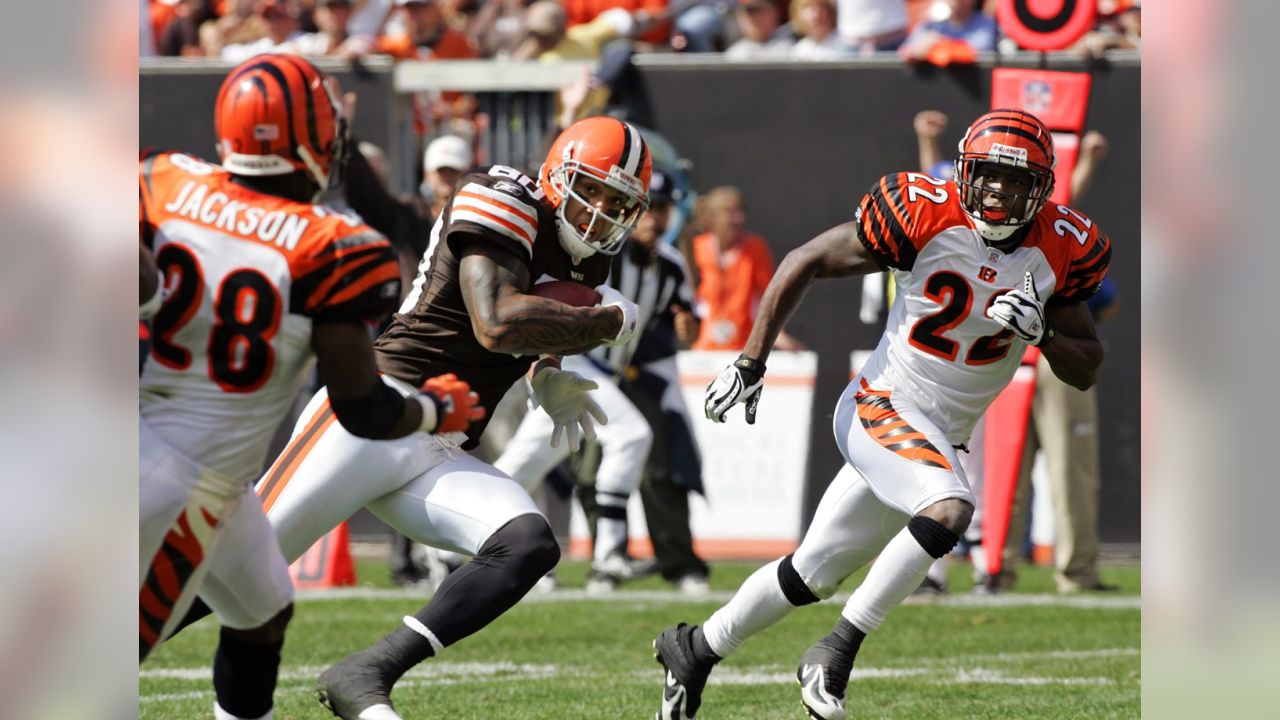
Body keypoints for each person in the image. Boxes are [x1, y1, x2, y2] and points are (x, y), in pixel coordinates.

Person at [653, 108, 1111, 720]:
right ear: (965, 172)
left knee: (809, 574)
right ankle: (835, 654)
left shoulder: (1061, 245)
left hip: (941, 432)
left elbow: (1087, 365)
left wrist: (1045, 330)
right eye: (990, 174)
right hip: (884, 402)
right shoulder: (924, 212)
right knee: (949, 508)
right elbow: (806, 258)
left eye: (1017, 179)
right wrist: (752, 360)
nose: (1000, 190)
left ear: (1042, 189)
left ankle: (694, 649)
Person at [255, 115, 649, 720]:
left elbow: (527, 333)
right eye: (591, 189)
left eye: (616, 201)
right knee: (229, 569)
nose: (598, 211)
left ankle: (367, 671)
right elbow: (495, 322)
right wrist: (604, 323)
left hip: (442, 446)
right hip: (381, 411)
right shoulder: (500, 195)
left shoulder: (587, 263)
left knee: (526, 543)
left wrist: (545, 375)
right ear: (556, 174)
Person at [138, 54, 483, 720]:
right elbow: (362, 407)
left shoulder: (163, 180)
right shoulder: (332, 245)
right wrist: (434, 407)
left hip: (190, 466)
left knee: (262, 613)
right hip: (186, 485)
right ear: (313, 142)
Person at [493, 150, 693, 593]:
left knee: (528, 461)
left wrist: (685, 325)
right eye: (648, 210)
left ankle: (448, 547)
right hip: (576, 361)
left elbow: (686, 329)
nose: (653, 221)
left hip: (603, 372)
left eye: (661, 210)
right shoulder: (604, 251)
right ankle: (610, 555)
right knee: (632, 435)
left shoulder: (673, 267)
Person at [690, 186, 802, 351]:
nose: (738, 219)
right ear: (712, 218)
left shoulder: (756, 248)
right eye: (729, 212)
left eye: (740, 212)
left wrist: (777, 333)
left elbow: (770, 295)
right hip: (703, 349)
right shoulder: (697, 248)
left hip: (745, 348)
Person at [724, 0, 794, 60]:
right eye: (749, 12)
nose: (754, 19)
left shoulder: (795, 48)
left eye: (759, 11)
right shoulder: (734, 53)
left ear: (775, 12)